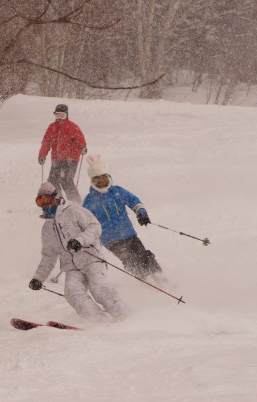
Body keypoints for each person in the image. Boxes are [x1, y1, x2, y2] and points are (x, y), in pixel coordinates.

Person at [28, 181, 129, 321]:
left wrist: (80, 240)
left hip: (91, 259)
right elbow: (48, 256)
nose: (43, 204)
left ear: (56, 197)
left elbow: (95, 227)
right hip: (71, 267)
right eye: (39, 201)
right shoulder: (47, 228)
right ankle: (97, 320)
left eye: (45, 199)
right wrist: (38, 278)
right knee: (72, 292)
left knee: (98, 289)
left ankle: (123, 315)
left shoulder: (74, 211)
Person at [82, 155, 162, 279]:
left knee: (143, 255)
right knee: (130, 260)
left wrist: (141, 213)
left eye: (104, 177)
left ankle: (159, 276)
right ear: (92, 181)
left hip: (129, 234)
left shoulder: (117, 192)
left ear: (109, 177)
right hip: (111, 240)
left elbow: (134, 201)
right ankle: (143, 278)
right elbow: (84, 222)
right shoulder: (89, 201)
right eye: (97, 179)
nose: (102, 182)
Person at [37, 104, 87, 204]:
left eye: (62, 115)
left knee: (66, 179)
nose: (59, 118)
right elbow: (46, 142)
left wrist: (83, 147)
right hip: (57, 158)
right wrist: (42, 155)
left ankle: (76, 202)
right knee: (52, 179)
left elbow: (80, 139)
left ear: (67, 115)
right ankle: (58, 199)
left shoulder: (73, 127)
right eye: (57, 115)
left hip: (71, 158)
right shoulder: (52, 127)